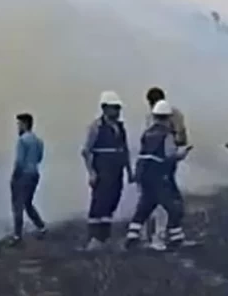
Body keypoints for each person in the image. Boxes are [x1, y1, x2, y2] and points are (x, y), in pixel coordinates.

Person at [124, 100, 191, 250]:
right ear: (168, 118)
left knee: (146, 205)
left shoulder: (147, 133)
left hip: (143, 172)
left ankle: (132, 235)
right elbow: (169, 154)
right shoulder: (166, 135)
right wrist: (183, 153)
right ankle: (176, 238)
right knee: (173, 205)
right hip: (158, 174)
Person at [81, 91, 131, 251]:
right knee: (99, 203)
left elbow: (125, 150)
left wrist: (129, 171)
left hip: (117, 171)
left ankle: (105, 237)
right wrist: (92, 173)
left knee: (112, 201)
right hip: (102, 169)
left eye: (118, 108)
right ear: (104, 108)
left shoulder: (120, 127)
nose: (116, 112)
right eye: (113, 108)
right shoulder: (96, 127)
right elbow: (86, 151)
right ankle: (94, 238)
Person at [143, 87, 189, 250]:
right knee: (162, 199)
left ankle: (161, 235)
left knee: (162, 200)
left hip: (163, 163)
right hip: (160, 164)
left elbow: (181, 137)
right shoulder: (159, 116)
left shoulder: (172, 115)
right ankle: (159, 235)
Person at [8, 113, 47, 246]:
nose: (18, 127)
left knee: (18, 205)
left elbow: (19, 161)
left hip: (23, 175)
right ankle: (41, 227)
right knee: (28, 203)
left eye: (19, 124)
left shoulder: (22, 140)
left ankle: (17, 236)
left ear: (24, 124)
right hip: (34, 174)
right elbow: (39, 158)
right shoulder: (38, 141)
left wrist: (14, 177)